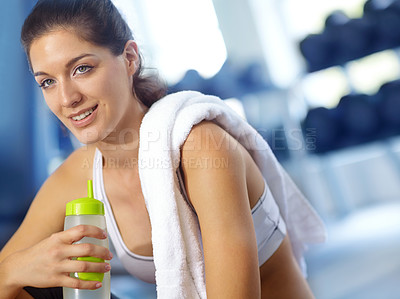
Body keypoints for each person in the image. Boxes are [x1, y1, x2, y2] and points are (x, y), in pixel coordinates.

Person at [0, 0, 326, 298]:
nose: (67, 98)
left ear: (129, 58)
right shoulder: (75, 175)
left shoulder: (201, 149)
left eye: (82, 69)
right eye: (48, 82)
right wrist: (18, 268)